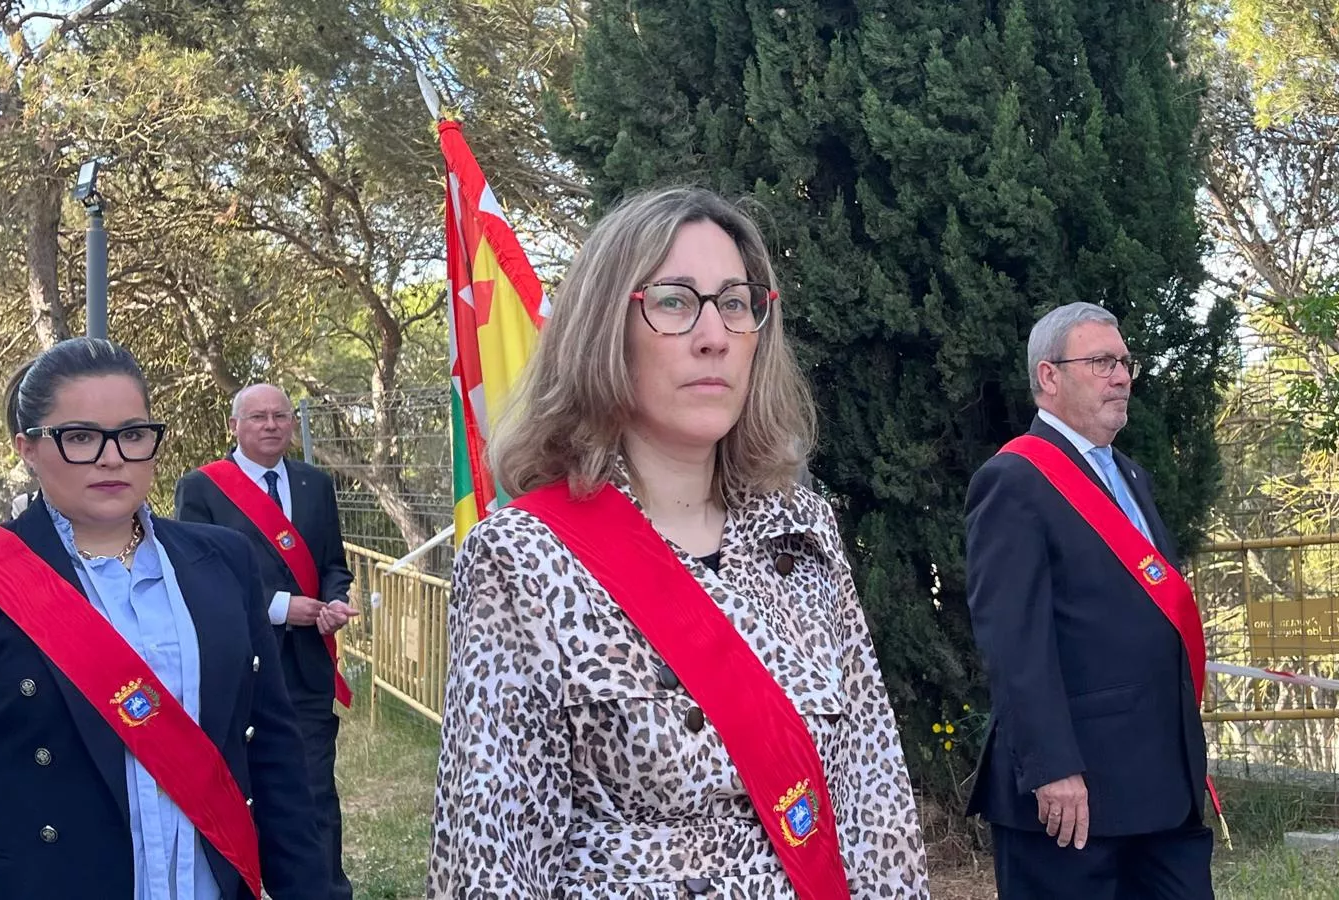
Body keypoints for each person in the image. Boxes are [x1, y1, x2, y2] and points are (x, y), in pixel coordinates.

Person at [427, 186, 929, 898]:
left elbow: (875, 799)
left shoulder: (804, 531)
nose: (714, 334)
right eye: (673, 301)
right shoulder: (523, 557)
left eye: (735, 302)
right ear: (605, 328)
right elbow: (492, 859)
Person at [0, 337, 327, 899]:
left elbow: (273, 754)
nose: (112, 456)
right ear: (27, 447)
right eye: (79, 437)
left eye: (133, 434)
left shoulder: (223, 562)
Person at [964, 302, 1214, 899]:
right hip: (1074, 798)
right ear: (1049, 377)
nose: (1122, 376)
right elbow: (1014, 643)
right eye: (1101, 361)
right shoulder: (1014, 481)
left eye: (1125, 361)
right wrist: (1051, 767)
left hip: (1159, 786)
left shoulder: (1130, 475)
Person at [174, 384, 359, 900]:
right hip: (239, 667)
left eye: (281, 416)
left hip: (305, 669)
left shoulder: (315, 484)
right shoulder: (204, 488)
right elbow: (201, 578)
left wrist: (333, 602)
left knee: (314, 790)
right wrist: (281, 607)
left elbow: (332, 565)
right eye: (259, 417)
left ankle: (323, 889)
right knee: (241, 789)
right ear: (236, 425)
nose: (272, 425)